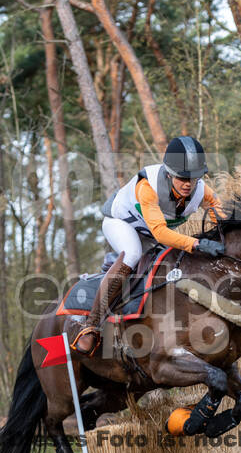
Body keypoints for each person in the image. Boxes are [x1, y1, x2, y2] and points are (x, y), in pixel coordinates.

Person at [71, 136, 225, 356]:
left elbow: (217, 206)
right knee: (132, 254)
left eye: (194, 177)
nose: (188, 184)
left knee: (171, 266)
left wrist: (224, 231)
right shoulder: (148, 187)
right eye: (182, 177)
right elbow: (161, 233)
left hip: (148, 232)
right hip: (121, 223)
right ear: (169, 172)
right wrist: (197, 243)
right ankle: (90, 325)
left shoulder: (201, 190)